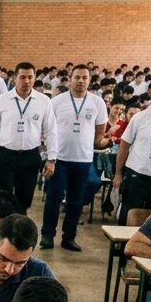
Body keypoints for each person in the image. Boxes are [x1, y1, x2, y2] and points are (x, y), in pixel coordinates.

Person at [44, 66, 108, 251]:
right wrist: (50, 155)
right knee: (53, 198)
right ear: (70, 79)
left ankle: (68, 238)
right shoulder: (57, 102)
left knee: (75, 201)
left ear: (89, 80)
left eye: (84, 78)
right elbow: (48, 129)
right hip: (60, 158)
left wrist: (101, 143)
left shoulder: (97, 103)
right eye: (77, 77)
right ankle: (48, 235)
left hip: (83, 159)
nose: (80, 81)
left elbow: (99, 132)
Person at [0, 62, 57, 210]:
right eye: (22, 77)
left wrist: (52, 158)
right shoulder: (2, 100)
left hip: (30, 157)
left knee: (24, 200)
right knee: (2, 199)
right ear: (15, 78)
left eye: (30, 77)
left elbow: (51, 131)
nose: (26, 81)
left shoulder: (44, 101)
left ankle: (19, 231)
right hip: (5, 156)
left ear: (35, 78)